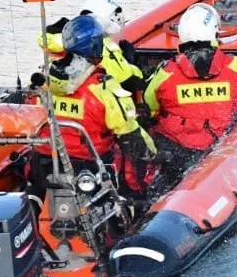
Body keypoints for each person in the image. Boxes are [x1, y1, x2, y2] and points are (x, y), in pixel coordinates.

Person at [28, 15, 155, 205]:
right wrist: (155, 154)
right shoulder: (104, 89)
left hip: (43, 163)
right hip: (90, 168)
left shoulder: (44, 85)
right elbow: (132, 138)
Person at [142, 3, 237, 191]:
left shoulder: (165, 74)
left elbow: (148, 106)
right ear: (214, 32)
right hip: (221, 149)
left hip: (175, 152)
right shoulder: (236, 68)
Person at [39, 0, 145, 93]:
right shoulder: (97, 45)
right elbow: (126, 80)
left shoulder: (67, 37)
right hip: (95, 96)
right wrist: (130, 62)